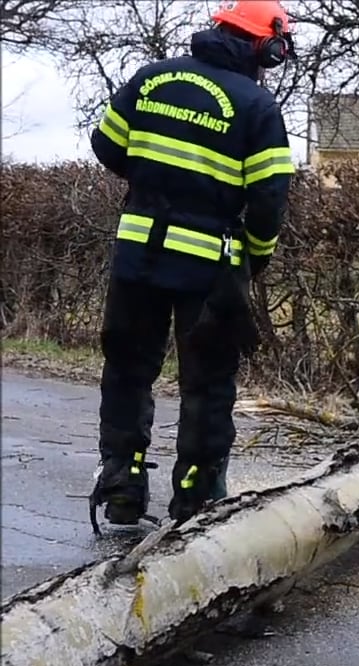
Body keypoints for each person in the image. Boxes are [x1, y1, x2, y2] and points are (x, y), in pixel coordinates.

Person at [88, 0, 295, 529]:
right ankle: (196, 499)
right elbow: (270, 199)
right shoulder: (257, 106)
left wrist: (156, 178)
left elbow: (106, 145)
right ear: (263, 46)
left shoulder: (150, 79)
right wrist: (257, 256)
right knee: (206, 381)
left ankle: (122, 483)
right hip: (208, 269)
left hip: (137, 254)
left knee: (129, 369)